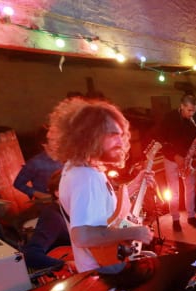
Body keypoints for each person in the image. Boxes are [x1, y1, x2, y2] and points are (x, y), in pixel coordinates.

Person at [46, 97, 154, 273]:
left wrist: (135, 184)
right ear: (89, 136)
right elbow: (82, 236)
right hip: (105, 273)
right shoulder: (85, 177)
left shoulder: (84, 166)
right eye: (112, 135)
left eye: (121, 135)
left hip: (109, 263)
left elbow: (105, 209)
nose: (120, 142)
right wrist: (134, 232)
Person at [155, 94, 196, 231]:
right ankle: (175, 219)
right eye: (189, 110)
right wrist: (175, 155)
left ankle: (191, 216)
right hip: (171, 158)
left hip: (188, 159)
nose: (191, 114)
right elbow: (160, 139)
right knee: (174, 190)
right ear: (181, 106)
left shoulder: (195, 119)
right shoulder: (169, 117)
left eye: (194, 110)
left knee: (190, 188)